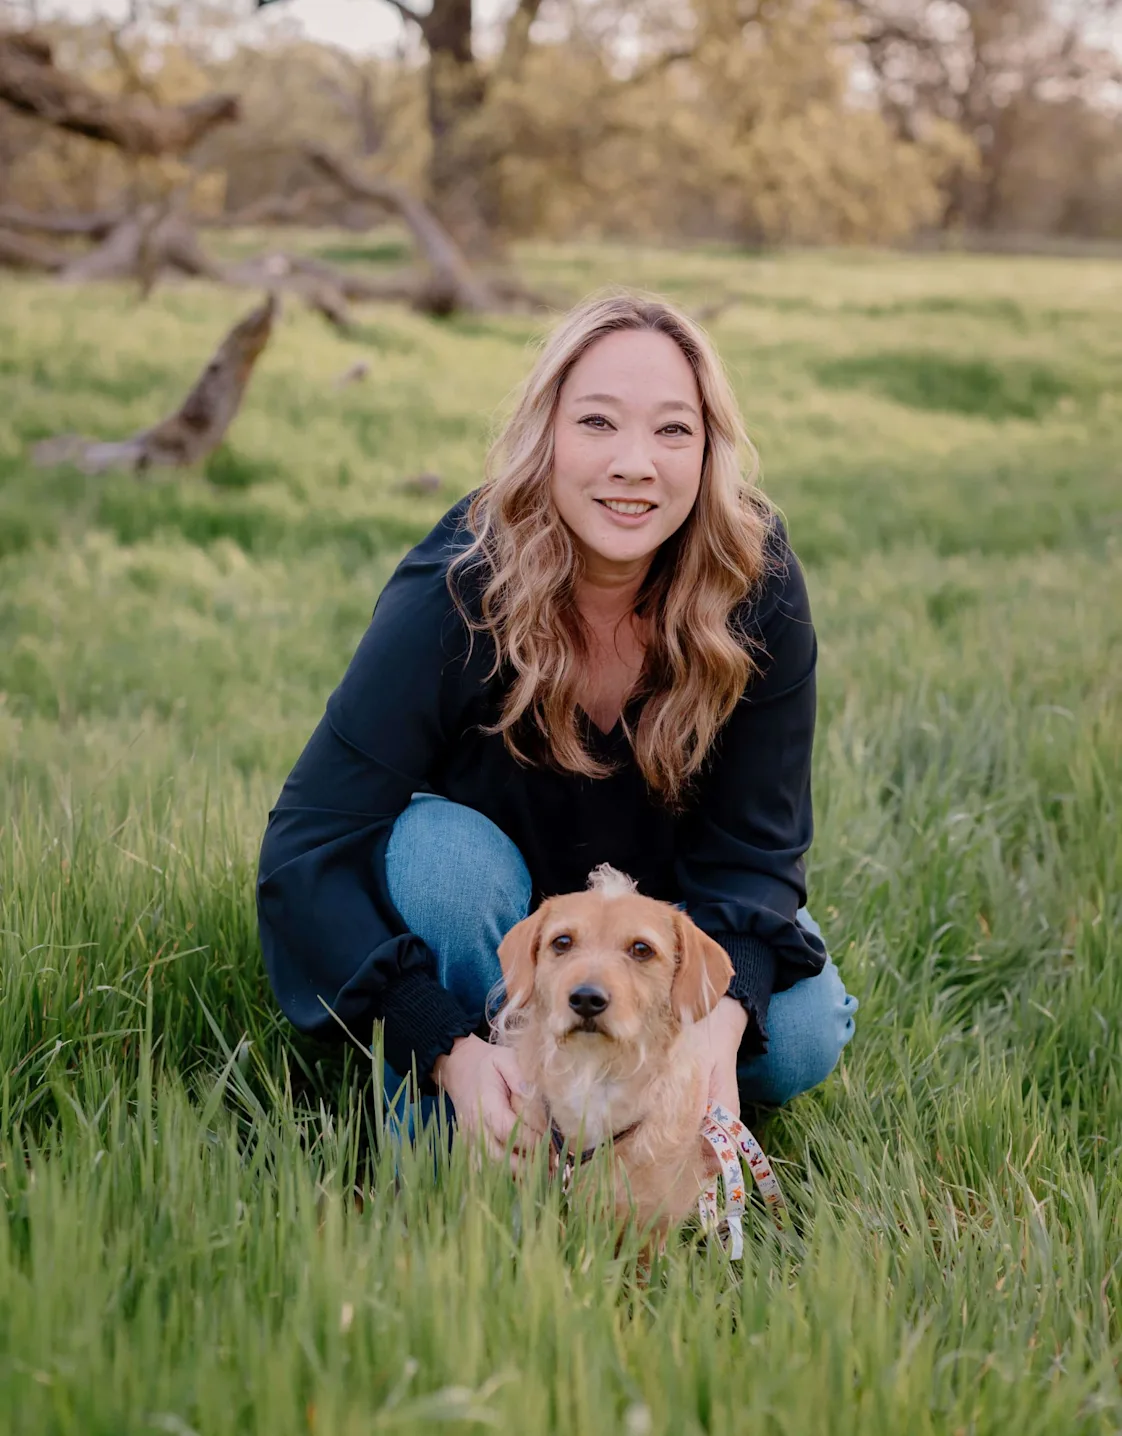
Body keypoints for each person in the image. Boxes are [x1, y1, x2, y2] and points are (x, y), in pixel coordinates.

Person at [256, 290, 858, 1164]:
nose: (634, 464)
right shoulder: (458, 588)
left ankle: (637, 1109)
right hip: (489, 923)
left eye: (672, 431)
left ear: (710, 449)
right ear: (546, 436)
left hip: (658, 933)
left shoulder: (751, 586)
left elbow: (757, 853)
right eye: (598, 423)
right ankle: (462, 1116)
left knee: (798, 1033)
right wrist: (441, 1038)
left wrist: (721, 1031)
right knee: (438, 859)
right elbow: (310, 840)